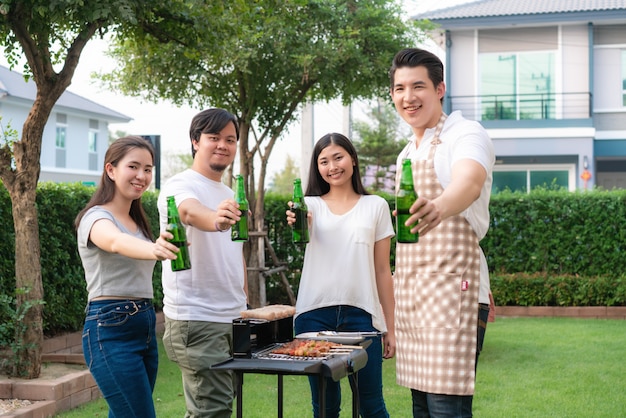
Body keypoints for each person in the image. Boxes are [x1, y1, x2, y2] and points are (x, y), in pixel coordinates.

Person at [389, 47, 495, 417]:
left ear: (440, 89)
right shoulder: (405, 154)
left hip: (453, 292)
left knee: (445, 406)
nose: (408, 97)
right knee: (421, 406)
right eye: (400, 88)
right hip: (415, 294)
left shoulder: (465, 133)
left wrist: (438, 207)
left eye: (418, 86)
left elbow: (469, 180)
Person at [286, 132, 396, 418]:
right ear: (317, 168)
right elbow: (301, 234)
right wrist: (299, 222)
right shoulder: (308, 206)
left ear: (353, 160)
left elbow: (383, 271)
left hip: (362, 315)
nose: (332, 166)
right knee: (325, 407)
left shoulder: (376, 206)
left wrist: (390, 328)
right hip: (314, 314)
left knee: (371, 405)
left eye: (338, 157)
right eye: (324, 161)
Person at [75, 136, 179, 418]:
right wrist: (155, 248)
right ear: (111, 170)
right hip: (110, 328)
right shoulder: (95, 218)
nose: (142, 176)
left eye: (148, 169)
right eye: (133, 166)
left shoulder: (139, 222)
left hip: (144, 326)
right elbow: (115, 243)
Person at [157, 108, 248, 418]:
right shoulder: (179, 185)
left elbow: (235, 257)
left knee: (211, 408)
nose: (222, 145)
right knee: (212, 410)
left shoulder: (230, 192)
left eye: (230, 139)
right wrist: (216, 219)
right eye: (213, 138)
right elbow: (189, 212)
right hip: (197, 318)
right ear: (196, 141)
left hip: (231, 316)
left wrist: (245, 306)